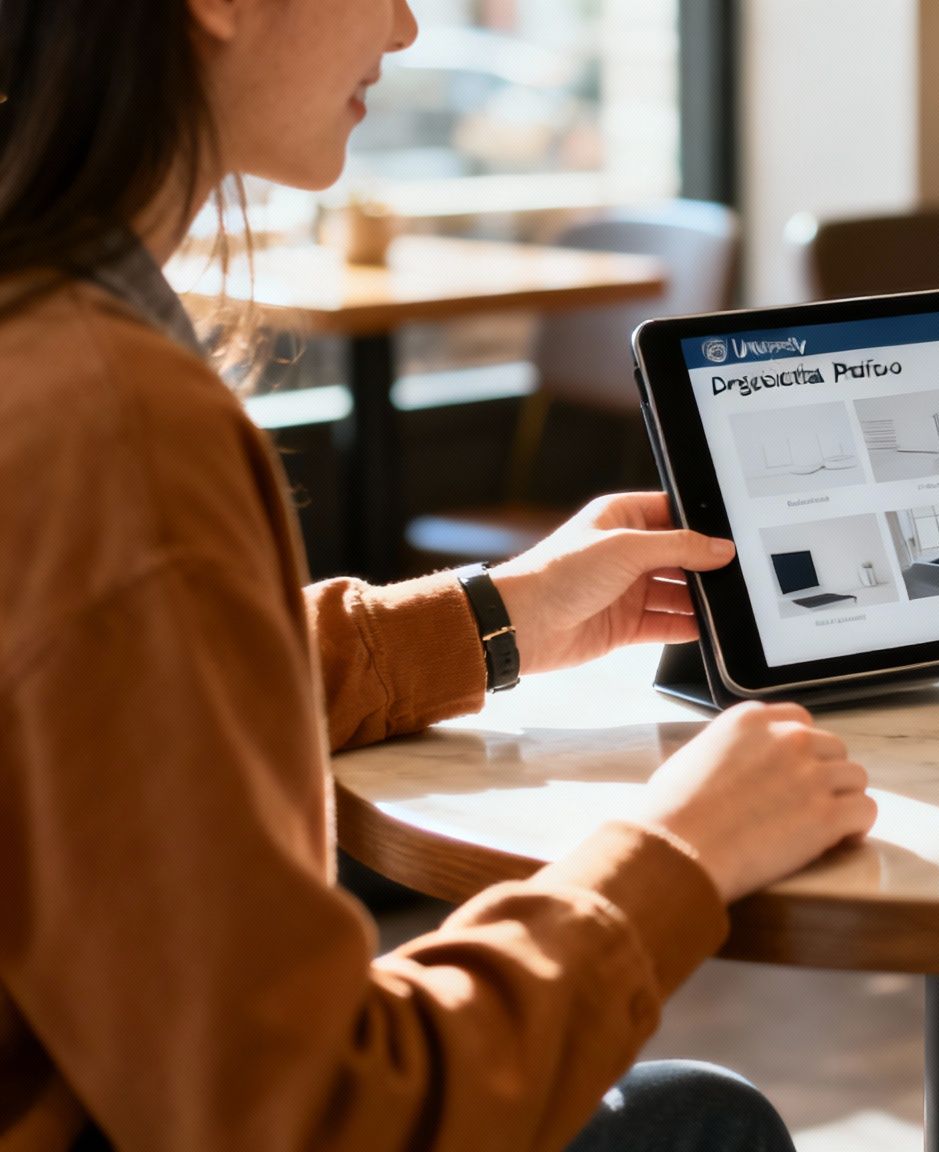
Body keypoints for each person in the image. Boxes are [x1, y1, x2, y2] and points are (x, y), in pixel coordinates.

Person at [0, 2, 877, 1149]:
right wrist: (672, 856)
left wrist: (496, 617)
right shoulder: (118, 424)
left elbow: (112, 716)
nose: (410, 27)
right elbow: (314, 1116)